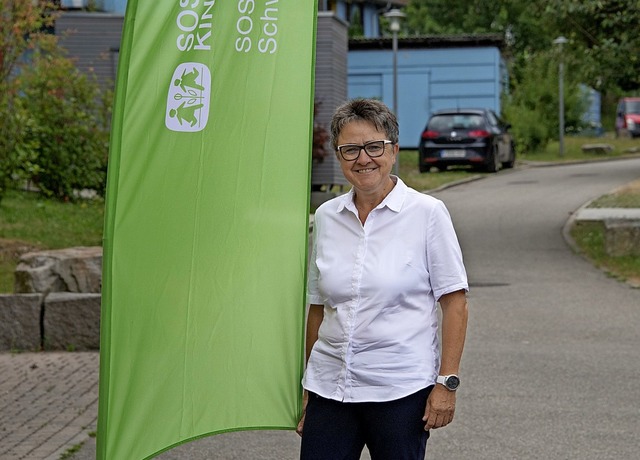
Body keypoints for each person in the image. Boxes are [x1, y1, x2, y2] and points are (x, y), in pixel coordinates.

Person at [296, 98, 469, 460]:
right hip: (331, 388)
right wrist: (307, 385)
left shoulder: (427, 214)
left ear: (393, 150)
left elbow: (454, 304)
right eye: (350, 150)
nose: (363, 159)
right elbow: (317, 306)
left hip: (399, 393)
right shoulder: (326, 217)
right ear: (338, 156)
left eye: (374, 146)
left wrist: (446, 383)